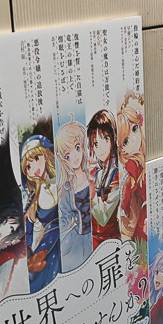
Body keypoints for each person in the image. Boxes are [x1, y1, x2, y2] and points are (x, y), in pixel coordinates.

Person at [21, 135, 61, 293]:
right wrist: (29, 248)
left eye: (36, 158)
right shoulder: (34, 197)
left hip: (61, 243)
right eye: (28, 166)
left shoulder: (62, 180)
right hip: (44, 247)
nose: (34, 167)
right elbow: (28, 226)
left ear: (45, 155)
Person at [56, 116, 92, 270]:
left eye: (77, 148)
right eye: (68, 156)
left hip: (100, 232)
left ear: (83, 145)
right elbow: (65, 218)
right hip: (80, 239)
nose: (75, 157)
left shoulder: (94, 175)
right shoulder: (67, 188)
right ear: (64, 160)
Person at [86, 109, 120, 246]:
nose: (100, 149)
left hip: (111, 241)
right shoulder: (95, 171)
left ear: (113, 139)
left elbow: (104, 217)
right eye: (95, 144)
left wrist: (92, 190)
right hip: (93, 239)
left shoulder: (117, 175)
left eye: (105, 139)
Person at [117, 92, 146, 241]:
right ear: (122, 149)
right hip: (142, 218)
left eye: (135, 129)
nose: (134, 138)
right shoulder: (131, 165)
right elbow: (127, 193)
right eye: (126, 141)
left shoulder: (141, 159)